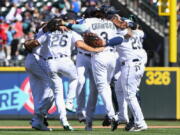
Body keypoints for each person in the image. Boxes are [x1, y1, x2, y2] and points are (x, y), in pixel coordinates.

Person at [36, 16, 104, 131]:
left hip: (50, 63)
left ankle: (64, 121)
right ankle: (70, 102)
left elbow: (36, 41)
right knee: (76, 78)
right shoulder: (71, 31)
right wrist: (95, 50)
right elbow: (80, 45)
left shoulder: (48, 32)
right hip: (65, 60)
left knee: (58, 93)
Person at [115, 18, 148, 132]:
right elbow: (144, 34)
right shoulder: (139, 32)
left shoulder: (122, 32)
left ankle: (139, 122)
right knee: (119, 88)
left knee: (130, 95)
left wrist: (126, 25)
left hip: (130, 65)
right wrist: (131, 25)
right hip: (138, 64)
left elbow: (125, 33)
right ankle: (122, 116)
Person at [25, 23, 54, 131]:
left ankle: (38, 122)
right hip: (37, 59)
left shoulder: (42, 33)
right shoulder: (44, 32)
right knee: (53, 85)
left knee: (38, 93)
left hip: (32, 59)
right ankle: (38, 115)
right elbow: (47, 26)